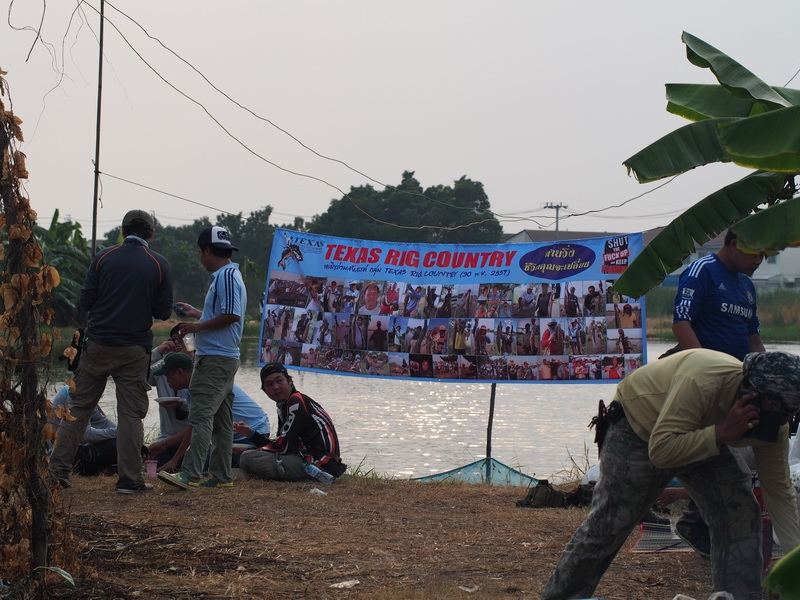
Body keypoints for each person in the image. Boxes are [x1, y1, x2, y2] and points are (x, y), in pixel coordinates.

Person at [541, 349, 800, 600]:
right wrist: (721, 433)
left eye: (783, 417)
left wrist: (795, 567)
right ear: (750, 392)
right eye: (770, 415)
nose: (772, 425)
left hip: (707, 431)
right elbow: (661, 451)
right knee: (611, 519)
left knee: (739, 511)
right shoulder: (703, 382)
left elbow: (780, 496)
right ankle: (561, 596)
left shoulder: (774, 425)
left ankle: (737, 597)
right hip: (640, 425)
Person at [49, 210, 173, 494]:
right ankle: (129, 480)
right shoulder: (159, 264)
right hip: (133, 349)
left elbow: (86, 300)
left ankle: (57, 473)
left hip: (97, 345)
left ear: (123, 229)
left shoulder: (103, 258)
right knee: (130, 414)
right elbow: (163, 311)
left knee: (78, 409)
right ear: (150, 234)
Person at [670, 229, 767, 553]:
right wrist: (702, 369)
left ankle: (703, 524)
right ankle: (698, 523)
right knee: (712, 450)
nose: (759, 261)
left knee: (737, 453)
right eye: (755, 253)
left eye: (765, 255)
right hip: (705, 381)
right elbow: (681, 323)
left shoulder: (747, 287)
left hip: (737, 382)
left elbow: (753, 338)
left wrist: (769, 379)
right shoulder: (702, 272)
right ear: (734, 242)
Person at [159, 226, 246, 490]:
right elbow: (225, 314)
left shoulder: (226, 277)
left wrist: (196, 327)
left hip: (216, 358)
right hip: (224, 357)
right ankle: (221, 475)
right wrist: (198, 313)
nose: (201, 258)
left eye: (201, 252)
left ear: (207, 251)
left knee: (200, 416)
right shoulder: (230, 276)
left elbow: (231, 315)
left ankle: (191, 473)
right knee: (220, 419)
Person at [147, 353, 269, 474]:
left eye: (168, 376)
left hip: (254, 435)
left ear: (180, 372)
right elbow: (193, 426)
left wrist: (173, 458)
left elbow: (195, 429)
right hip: (237, 436)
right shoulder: (196, 386)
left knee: (202, 463)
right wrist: (165, 446)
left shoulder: (203, 387)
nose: (167, 381)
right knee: (199, 458)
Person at [238, 363, 346, 481]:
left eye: (279, 381)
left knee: (247, 458)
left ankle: (315, 478)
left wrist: (250, 450)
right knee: (243, 453)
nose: (276, 387)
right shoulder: (284, 406)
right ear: (265, 391)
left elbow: (283, 447)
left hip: (320, 464)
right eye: (269, 384)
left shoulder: (296, 401)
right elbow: (282, 443)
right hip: (313, 460)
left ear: (289, 381)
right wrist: (251, 434)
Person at [50, 385, 118, 476]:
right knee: (117, 445)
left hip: (78, 449)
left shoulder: (87, 390)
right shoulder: (75, 394)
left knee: (123, 441)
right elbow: (85, 435)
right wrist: (118, 433)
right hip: (70, 458)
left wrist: (123, 432)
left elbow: (102, 422)